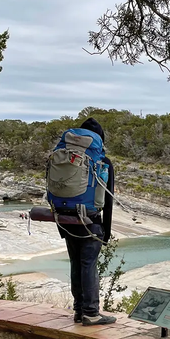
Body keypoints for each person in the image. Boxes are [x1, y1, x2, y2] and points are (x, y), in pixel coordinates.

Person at [57, 117, 117, 326]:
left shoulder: (64, 156)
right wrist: (106, 232)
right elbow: (107, 200)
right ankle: (91, 313)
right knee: (89, 265)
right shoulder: (102, 161)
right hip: (90, 221)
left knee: (76, 263)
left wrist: (61, 226)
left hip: (65, 218)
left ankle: (78, 310)